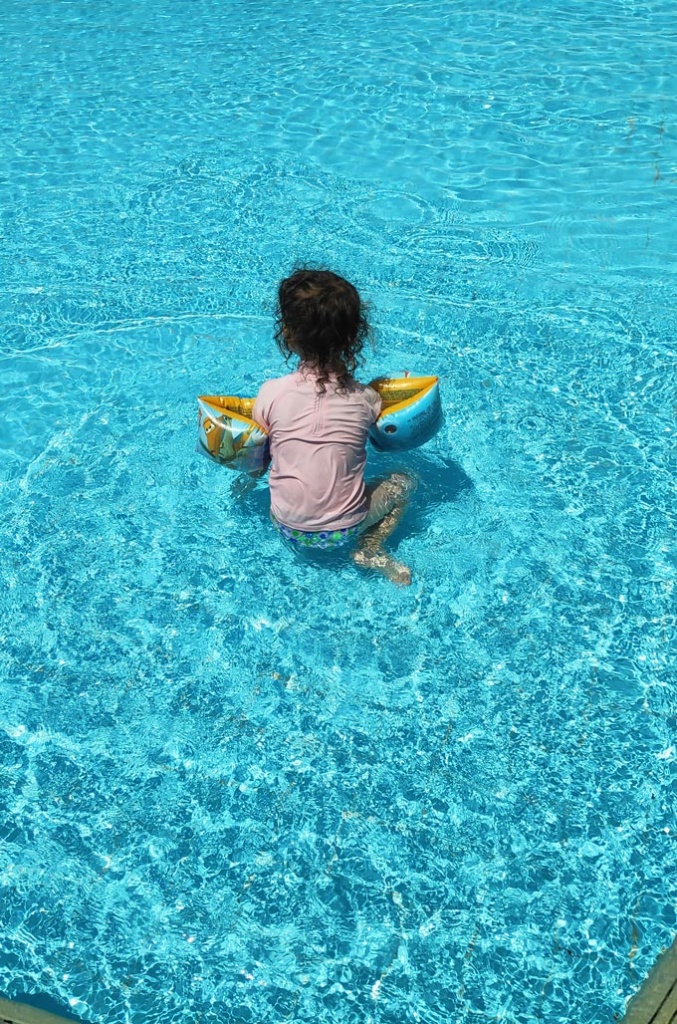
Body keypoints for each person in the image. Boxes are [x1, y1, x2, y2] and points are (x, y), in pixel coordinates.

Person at [252, 268, 416, 586]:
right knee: (404, 481)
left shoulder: (271, 393)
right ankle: (370, 545)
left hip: (285, 524)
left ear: (287, 334)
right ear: (355, 336)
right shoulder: (366, 399)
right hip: (346, 528)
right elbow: (383, 437)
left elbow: (260, 452)